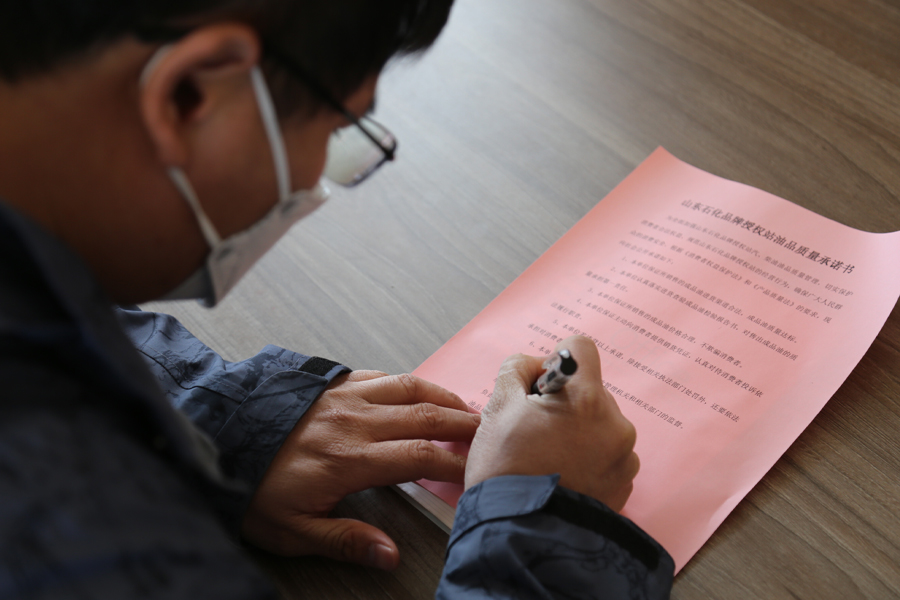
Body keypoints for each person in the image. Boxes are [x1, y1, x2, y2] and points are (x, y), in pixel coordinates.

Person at [0, 0, 674, 597]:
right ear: (188, 94)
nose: (315, 175)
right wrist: (543, 530)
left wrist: (224, 421)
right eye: (336, 125)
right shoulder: (88, 536)